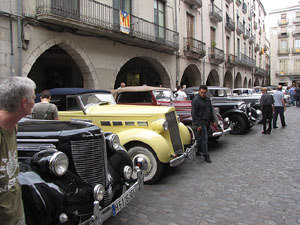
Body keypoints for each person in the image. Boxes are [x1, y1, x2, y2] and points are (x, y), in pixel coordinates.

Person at [0, 76, 36, 225]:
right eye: (34, 98)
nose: (35, 102)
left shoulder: (13, 125)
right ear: (24, 103)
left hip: (15, 213)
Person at [191, 85, 215, 163]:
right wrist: (198, 125)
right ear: (199, 91)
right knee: (204, 139)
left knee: (201, 138)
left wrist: (213, 120)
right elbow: (194, 113)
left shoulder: (208, 99)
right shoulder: (196, 100)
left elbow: (210, 110)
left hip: (207, 121)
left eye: (204, 93)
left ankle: (197, 150)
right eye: (201, 92)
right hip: (200, 122)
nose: (203, 94)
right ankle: (206, 155)